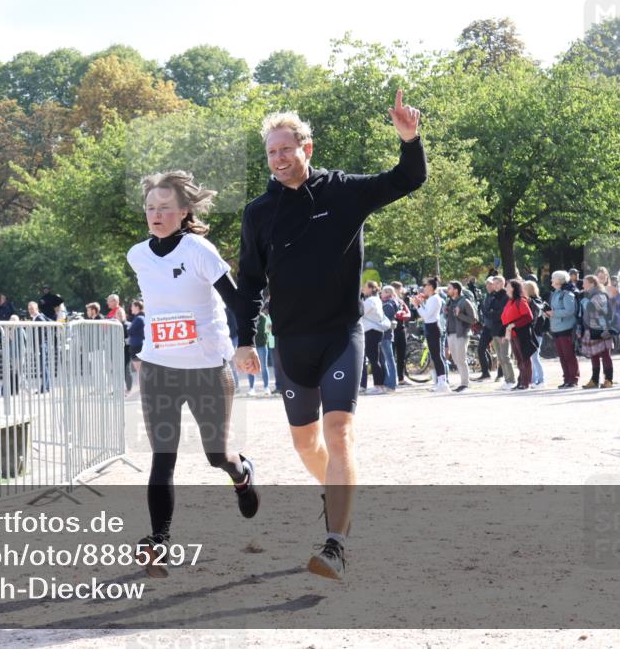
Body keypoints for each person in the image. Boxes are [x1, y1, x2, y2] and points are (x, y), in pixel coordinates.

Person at [232, 91, 426, 580]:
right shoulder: (258, 213)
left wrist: (409, 139)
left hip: (341, 334)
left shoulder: (342, 191)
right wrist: (246, 339)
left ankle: (336, 543)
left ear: (307, 149)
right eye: (271, 152)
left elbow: (408, 178)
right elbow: (251, 281)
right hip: (292, 344)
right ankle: (343, 497)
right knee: (305, 446)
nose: (278, 159)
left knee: (339, 434)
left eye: (285, 149)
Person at [128, 170, 260, 577]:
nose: (156, 214)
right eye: (151, 208)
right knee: (162, 458)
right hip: (159, 369)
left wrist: (245, 342)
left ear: (184, 212)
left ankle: (241, 473)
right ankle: (159, 542)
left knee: (216, 455)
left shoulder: (199, 249)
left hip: (208, 368)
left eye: (165, 208)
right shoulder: (137, 255)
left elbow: (238, 300)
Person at [579, 275, 614, 389]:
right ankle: (594, 380)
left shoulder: (599, 294)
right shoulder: (590, 295)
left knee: (605, 355)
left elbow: (597, 309)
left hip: (601, 328)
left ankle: (608, 380)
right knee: (594, 354)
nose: (582, 285)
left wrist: (585, 302)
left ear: (592, 284)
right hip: (591, 328)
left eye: (585, 283)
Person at [413, 278, 448, 392]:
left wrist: (417, 305)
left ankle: (443, 382)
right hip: (430, 327)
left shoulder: (434, 298)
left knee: (437, 356)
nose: (424, 287)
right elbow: (426, 313)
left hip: (433, 327)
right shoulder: (431, 299)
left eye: (426, 285)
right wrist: (421, 303)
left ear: (431, 287)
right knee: (435, 356)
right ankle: (440, 381)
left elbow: (426, 315)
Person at [547, 270, 580, 389]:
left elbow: (570, 310)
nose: (551, 281)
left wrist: (553, 313)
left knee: (569, 355)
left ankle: (573, 379)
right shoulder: (555, 293)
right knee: (562, 356)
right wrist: (548, 313)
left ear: (559, 280)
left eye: (553, 278)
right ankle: (567, 379)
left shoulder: (567, 294)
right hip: (556, 328)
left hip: (566, 328)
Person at [501, 279, 536, 390]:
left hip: (522, 333)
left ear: (514, 288)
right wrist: (505, 332)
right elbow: (505, 318)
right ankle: (521, 381)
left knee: (524, 358)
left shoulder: (521, 301)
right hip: (513, 334)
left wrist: (514, 324)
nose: (506, 288)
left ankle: (526, 382)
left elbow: (528, 317)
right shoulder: (510, 301)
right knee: (519, 359)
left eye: (508, 286)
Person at [483, 276, 516, 389]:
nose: (494, 285)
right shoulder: (492, 297)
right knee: (500, 358)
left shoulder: (506, 297)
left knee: (505, 356)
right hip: (494, 330)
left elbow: (502, 314)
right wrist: (494, 313)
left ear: (503, 283)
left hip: (503, 331)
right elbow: (486, 312)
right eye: (494, 283)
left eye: (497, 283)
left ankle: (511, 380)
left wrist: (494, 313)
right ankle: (507, 380)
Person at [445, 280, 477, 392]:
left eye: (449, 288)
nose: (447, 290)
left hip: (461, 333)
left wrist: (460, 315)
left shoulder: (465, 301)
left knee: (461, 359)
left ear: (456, 290)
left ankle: (465, 384)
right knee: (456, 359)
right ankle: (462, 382)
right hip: (451, 333)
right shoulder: (449, 302)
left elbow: (474, 319)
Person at [359, 281, 389, 395]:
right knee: (375, 359)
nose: (363, 289)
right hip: (375, 331)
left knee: (374, 359)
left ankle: (378, 386)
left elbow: (360, 311)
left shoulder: (371, 301)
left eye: (365, 287)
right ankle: (379, 385)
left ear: (371, 289)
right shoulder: (376, 299)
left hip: (371, 331)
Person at [523, 280, 547, 388]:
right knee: (532, 357)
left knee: (535, 357)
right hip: (533, 332)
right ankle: (533, 380)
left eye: (523, 289)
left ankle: (541, 380)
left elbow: (534, 318)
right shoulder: (531, 301)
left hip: (536, 333)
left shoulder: (536, 301)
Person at [390, 281, 410, 385]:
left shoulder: (401, 301)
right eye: (400, 289)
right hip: (392, 331)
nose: (401, 291)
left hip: (401, 329)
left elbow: (408, 314)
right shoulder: (387, 301)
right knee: (391, 356)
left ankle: (401, 378)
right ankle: (391, 379)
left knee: (402, 355)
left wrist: (402, 315)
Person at [128, 300, 145, 391]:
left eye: (132, 306)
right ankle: (142, 387)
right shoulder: (141, 317)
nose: (131, 308)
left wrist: (128, 327)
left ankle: (142, 387)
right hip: (139, 344)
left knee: (139, 369)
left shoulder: (138, 318)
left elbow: (130, 331)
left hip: (136, 345)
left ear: (137, 307)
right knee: (141, 369)